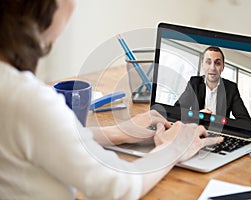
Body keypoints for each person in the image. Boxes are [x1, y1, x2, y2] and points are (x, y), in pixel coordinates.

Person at [0, 1, 223, 199]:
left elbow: (37, 135)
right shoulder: (25, 100)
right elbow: (117, 188)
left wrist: (117, 132)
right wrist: (173, 148)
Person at [175, 46, 251, 123]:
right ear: (203, 65)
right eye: (208, 62)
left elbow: (246, 121)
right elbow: (176, 111)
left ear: (222, 67)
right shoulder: (194, 83)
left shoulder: (231, 88)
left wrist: (221, 122)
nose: (212, 68)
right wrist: (197, 116)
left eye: (217, 63)